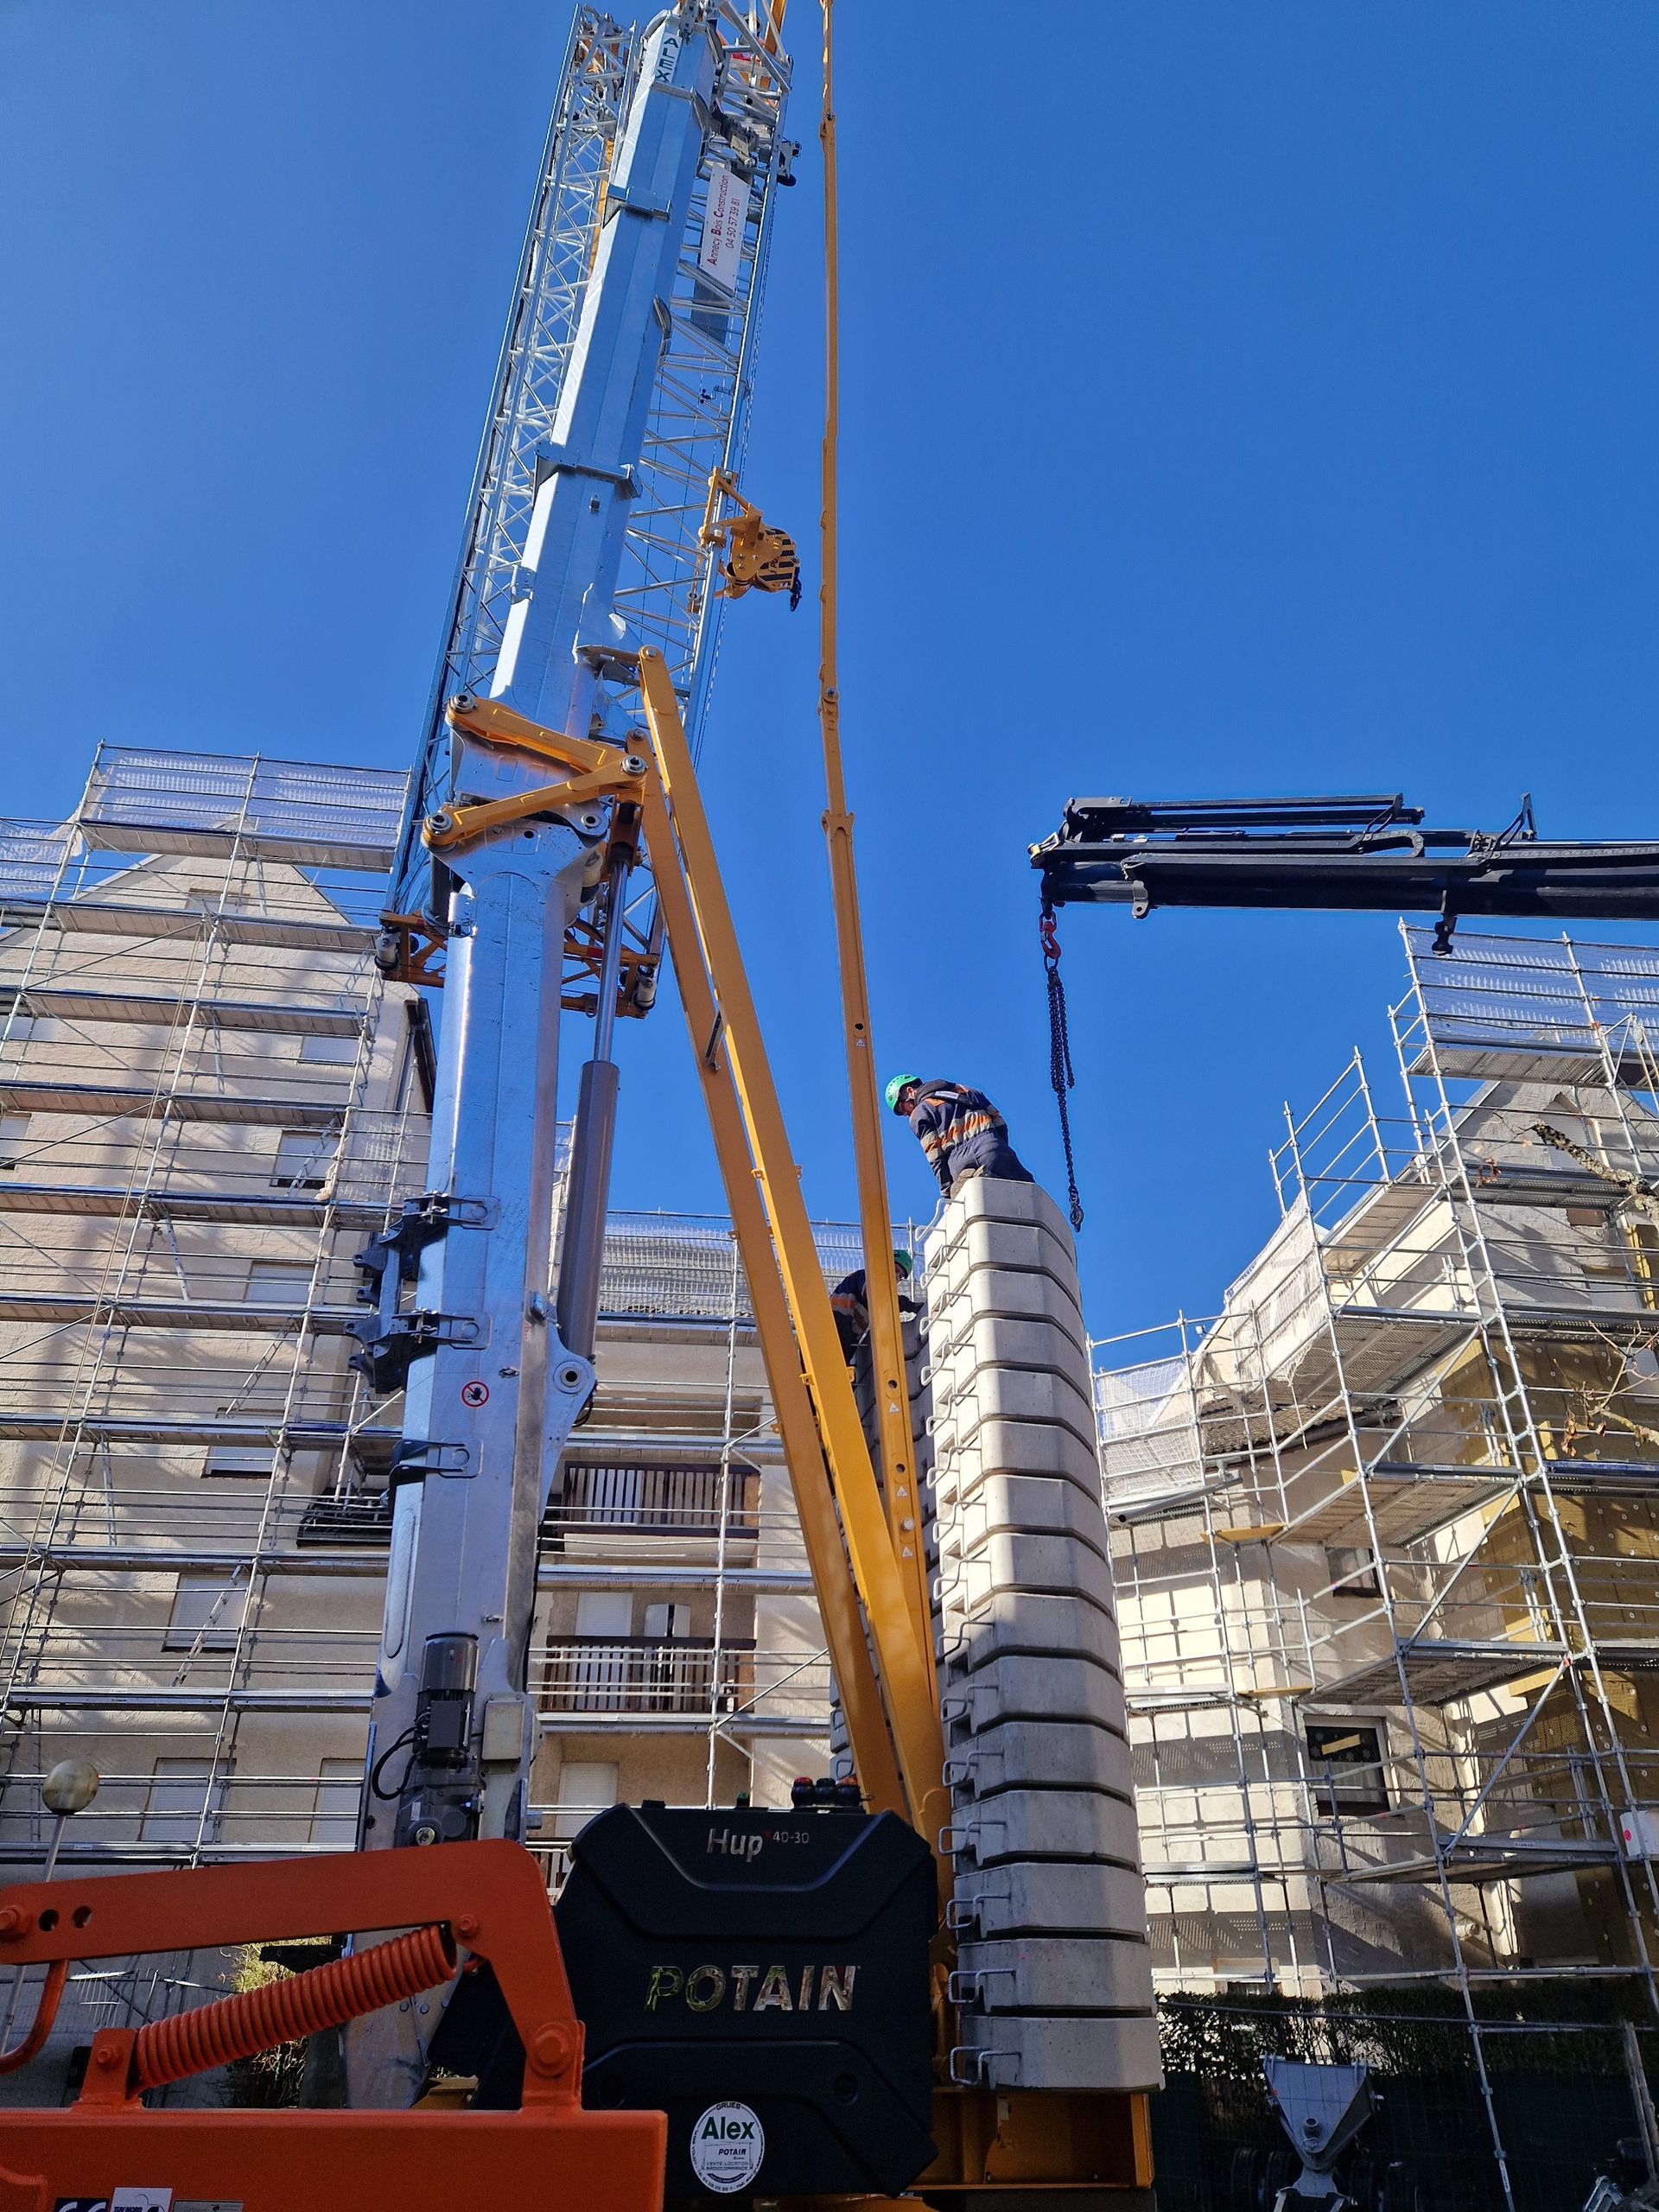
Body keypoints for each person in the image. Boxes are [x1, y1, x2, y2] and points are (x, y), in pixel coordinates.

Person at [885, 1074, 1035, 1201]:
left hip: (958, 1164)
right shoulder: (969, 1092)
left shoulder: (919, 1114)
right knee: (1030, 1195)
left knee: (973, 1208)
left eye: (902, 1107)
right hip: (991, 1147)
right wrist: (998, 1149)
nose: (905, 1114)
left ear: (910, 1091)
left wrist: (947, 1195)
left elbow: (935, 1157)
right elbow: (1000, 1124)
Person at [830, 1249, 913, 1363]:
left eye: (900, 1276)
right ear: (885, 1264)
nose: (896, 1277)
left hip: (846, 1334)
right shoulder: (866, 1276)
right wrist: (903, 1303)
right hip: (835, 1325)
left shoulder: (879, 1298)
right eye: (895, 1270)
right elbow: (872, 1293)